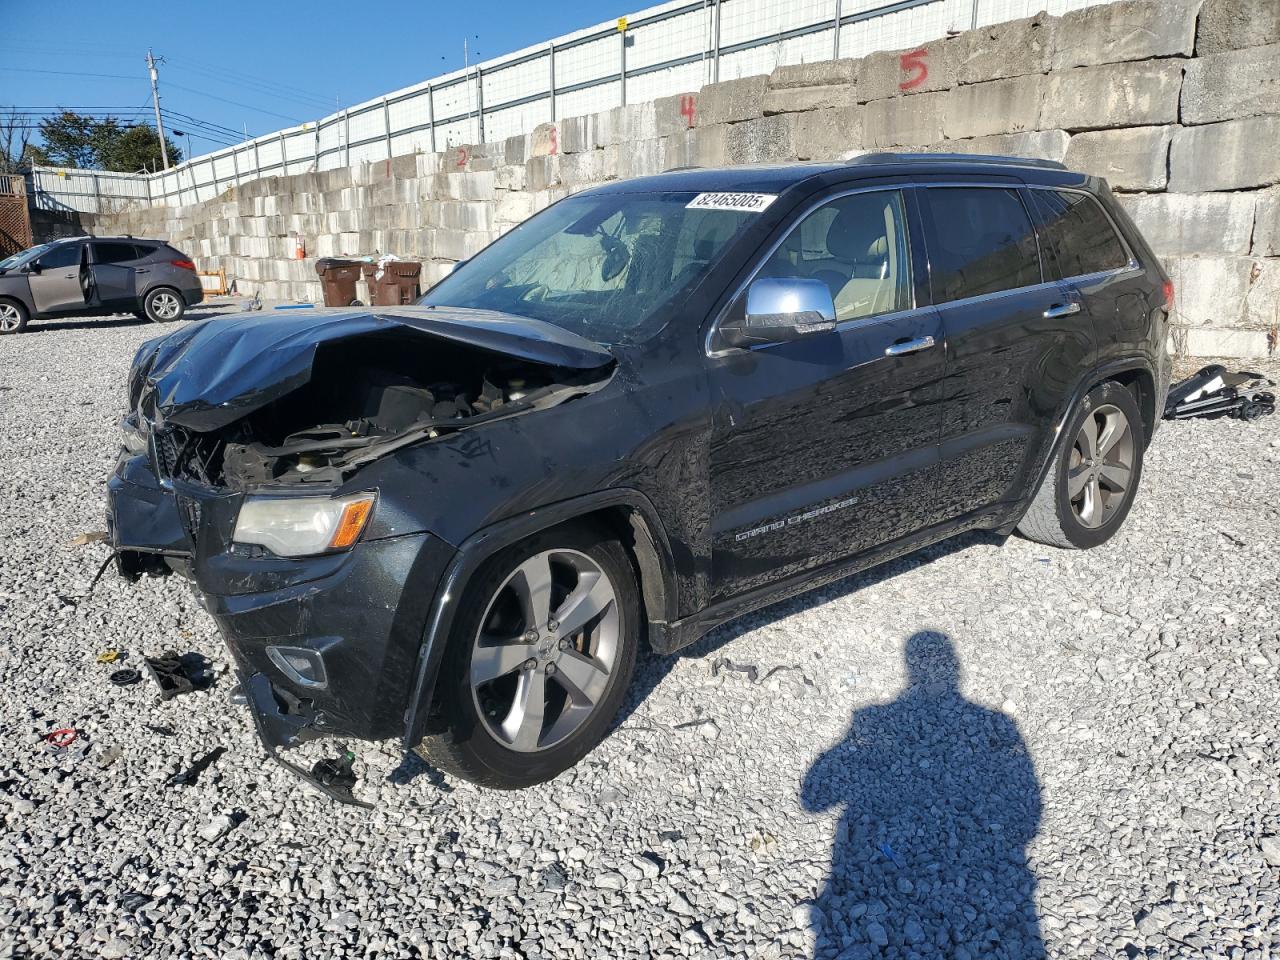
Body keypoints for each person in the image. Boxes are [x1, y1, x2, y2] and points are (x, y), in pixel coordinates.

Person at [803, 631, 1045, 959]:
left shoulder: (871, 719)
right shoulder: (998, 723)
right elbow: (1028, 820)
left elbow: (813, 799)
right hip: (999, 894)